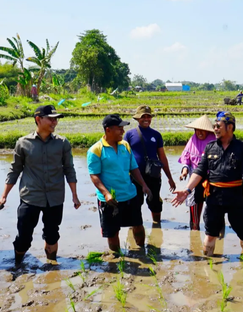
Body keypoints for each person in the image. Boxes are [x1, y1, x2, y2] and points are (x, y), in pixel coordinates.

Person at [172, 111, 243, 256]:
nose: (215, 129)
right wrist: (187, 190)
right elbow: (199, 171)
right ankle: (207, 265)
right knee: (210, 233)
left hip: (235, 198)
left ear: (230, 127)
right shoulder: (210, 147)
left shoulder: (242, 148)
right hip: (214, 197)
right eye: (214, 126)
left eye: (218, 126)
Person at [1, 105, 80, 265]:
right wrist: (3, 196)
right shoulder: (23, 143)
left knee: (52, 234)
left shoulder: (62, 143)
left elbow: (69, 169)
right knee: (24, 236)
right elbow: (14, 170)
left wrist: (75, 195)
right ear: (38, 119)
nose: (54, 122)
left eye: (56, 119)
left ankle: (52, 265)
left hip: (55, 197)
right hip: (30, 197)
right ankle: (18, 264)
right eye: (51, 119)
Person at [87, 114, 152, 252]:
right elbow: (94, 175)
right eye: (119, 128)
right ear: (108, 130)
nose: (123, 132)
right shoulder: (96, 150)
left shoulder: (125, 146)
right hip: (110, 199)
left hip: (129, 194)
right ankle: (116, 258)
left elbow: (133, 168)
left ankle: (141, 251)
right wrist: (106, 193)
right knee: (112, 232)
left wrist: (144, 185)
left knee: (138, 225)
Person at [124, 105, 176, 225]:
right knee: (135, 202)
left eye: (148, 116)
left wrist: (170, 178)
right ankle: (135, 226)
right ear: (137, 119)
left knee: (155, 202)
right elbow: (124, 157)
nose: (146, 119)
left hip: (153, 175)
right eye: (143, 117)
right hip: (135, 176)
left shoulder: (156, 135)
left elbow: (162, 157)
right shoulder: (129, 134)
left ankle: (156, 225)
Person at [178, 115, 216, 230]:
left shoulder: (214, 141)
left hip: (211, 179)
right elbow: (186, 158)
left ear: (208, 131)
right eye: (197, 130)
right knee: (194, 205)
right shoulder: (192, 140)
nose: (199, 133)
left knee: (214, 209)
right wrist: (185, 170)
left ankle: (217, 232)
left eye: (203, 130)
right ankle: (194, 231)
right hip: (195, 179)